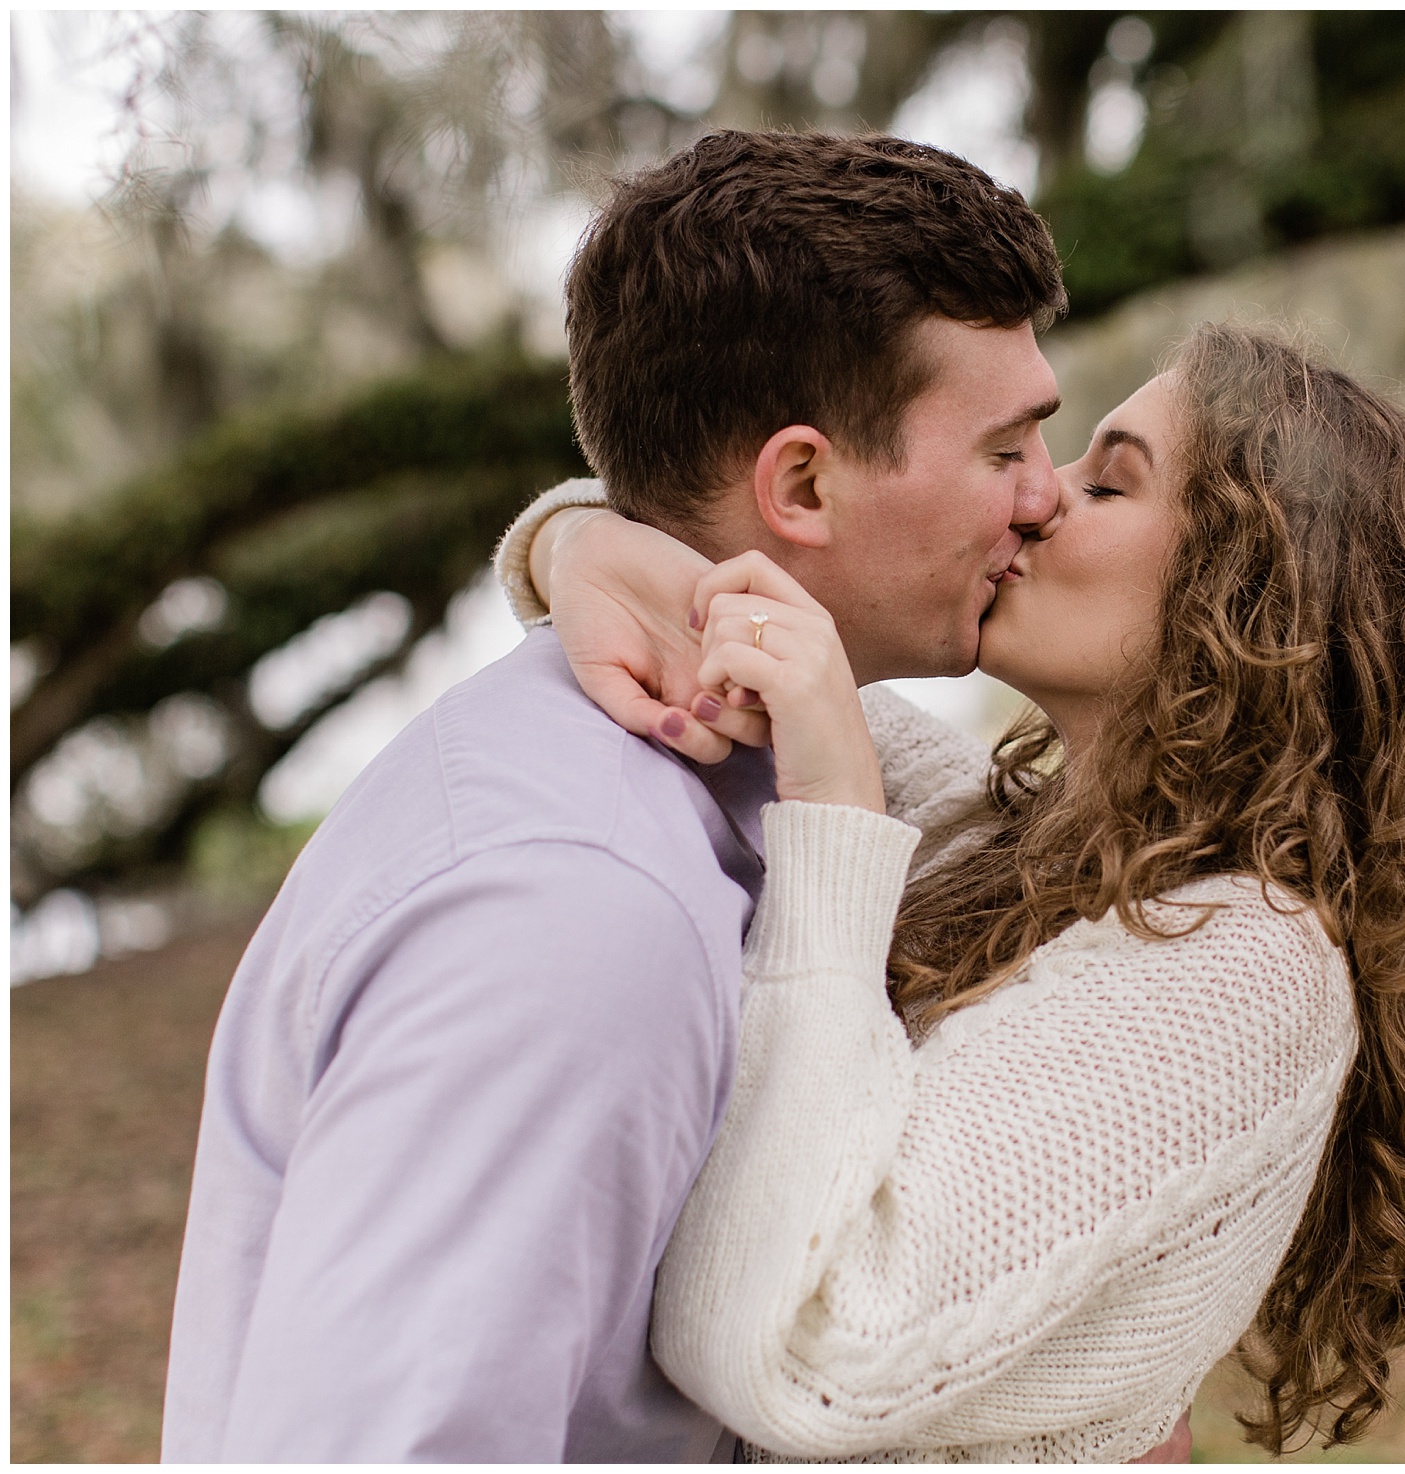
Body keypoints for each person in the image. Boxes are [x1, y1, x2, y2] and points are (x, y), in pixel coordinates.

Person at [160, 130, 1076, 1462]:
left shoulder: (761, 779)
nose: (1048, 501)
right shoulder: (576, 907)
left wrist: (575, 534)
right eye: (1009, 448)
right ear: (804, 482)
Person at [504, 322, 1405, 1460]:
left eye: (1108, 482)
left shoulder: (1252, 959)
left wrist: (835, 826)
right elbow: (709, 617)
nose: (1037, 497)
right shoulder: (1013, 845)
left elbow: (799, 1354)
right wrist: (567, 539)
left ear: (1255, 596)